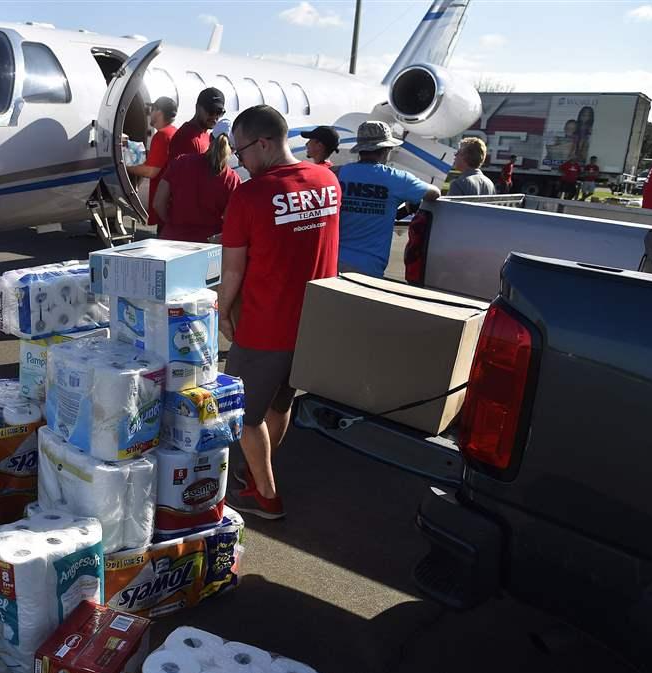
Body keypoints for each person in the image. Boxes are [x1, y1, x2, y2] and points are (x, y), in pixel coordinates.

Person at [217, 105, 341, 520]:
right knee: (280, 404)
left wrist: (222, 313)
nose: (239, 160)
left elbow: (233, 269)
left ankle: (267, 496)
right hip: (312, 324)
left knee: (242, 415)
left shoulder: (250, 195)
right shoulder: (327, 180)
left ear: (264, 143)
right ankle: (259, 474)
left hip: (265, 325)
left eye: (240, 151)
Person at [335, 121, 440, 276]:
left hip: (333, 259)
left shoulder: (338, 174)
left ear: (360, 149)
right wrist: (411, 197)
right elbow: (434, 193)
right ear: (386, 150)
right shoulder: (398, 179)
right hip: (369, 266)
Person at [153, 119, 241, 243]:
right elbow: (230, 220)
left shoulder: (181, 162)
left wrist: (172, 223)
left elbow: (158, 203)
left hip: (172, 240)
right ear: (233, 150)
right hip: (206, 246)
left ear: (210, 138)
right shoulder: (232, 179)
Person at [126, 97, 178, 233]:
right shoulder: (174, 132)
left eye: (152, 110)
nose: (150, 113)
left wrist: (124, 166)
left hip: (164, 205)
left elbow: (151, 172)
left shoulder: (161, 136)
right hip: (173, 203)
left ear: (159, 112)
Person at [167, 88, 225, 161]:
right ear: (197, 108)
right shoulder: (186, 138)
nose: (215, 116)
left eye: (219, 112)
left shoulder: (204, 134)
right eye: (211, 111)